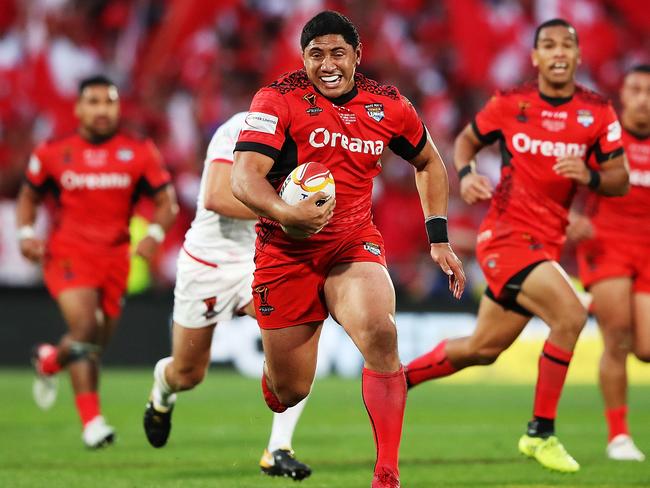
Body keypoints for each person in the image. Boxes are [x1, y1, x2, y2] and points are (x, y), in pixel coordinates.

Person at [231, 11, 465, 488]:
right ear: (303, 59)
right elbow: (243, 177)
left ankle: (386, 473)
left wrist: (437, 238)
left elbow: (429, 162)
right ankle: (274, 371)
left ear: (358, 56)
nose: (328, 64)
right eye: (316, 54)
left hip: (351, 244)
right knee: (288, 392)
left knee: (381, 334)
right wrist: (287, 212)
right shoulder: (277, 99)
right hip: (285, 254)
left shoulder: (388, 105)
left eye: (338, 52)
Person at [404, 19, 628, 473]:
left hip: (543, 245)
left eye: (567, 45)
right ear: (535, 57)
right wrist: (466, 176)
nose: (558, 52)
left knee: (483, 348)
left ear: (579, 57)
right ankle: (540, 433)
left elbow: (620, 180)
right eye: (548, 45)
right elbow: (465, 141)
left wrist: (590, 177)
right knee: (569, 315)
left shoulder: (598, 113)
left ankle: (396, 378)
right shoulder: (511, 104)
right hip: (504, 236)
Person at [142, 111, 312, 480]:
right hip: (210, 261)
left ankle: (278, 449)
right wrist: (284, 213)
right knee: (187, 374)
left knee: (299, 338)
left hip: (265, 259)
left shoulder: (315, 137)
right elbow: (217, 196)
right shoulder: (240, 128)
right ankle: (163, 388)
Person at [17, 75, 178, 448]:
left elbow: (166, 202)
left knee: (91, 343)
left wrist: (153, 235)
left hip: (115, 259)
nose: (102, 109)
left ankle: (49, 361)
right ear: (78, 108)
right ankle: (93, 424)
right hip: (68, 255)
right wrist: (26, 234)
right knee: (86, 328)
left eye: (109, 101)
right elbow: (29, 196)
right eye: (93, 102)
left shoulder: (138, 151)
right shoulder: (53, 151)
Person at [568, 65, 650, 462]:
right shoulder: (601, 137)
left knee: (646, 348)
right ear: (622, 92)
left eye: (649, 91)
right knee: (616, 336)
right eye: (636, 89)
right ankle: (619, 436)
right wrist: (568, 219)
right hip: (607, 243)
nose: (643, 99)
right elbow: (555, 179)